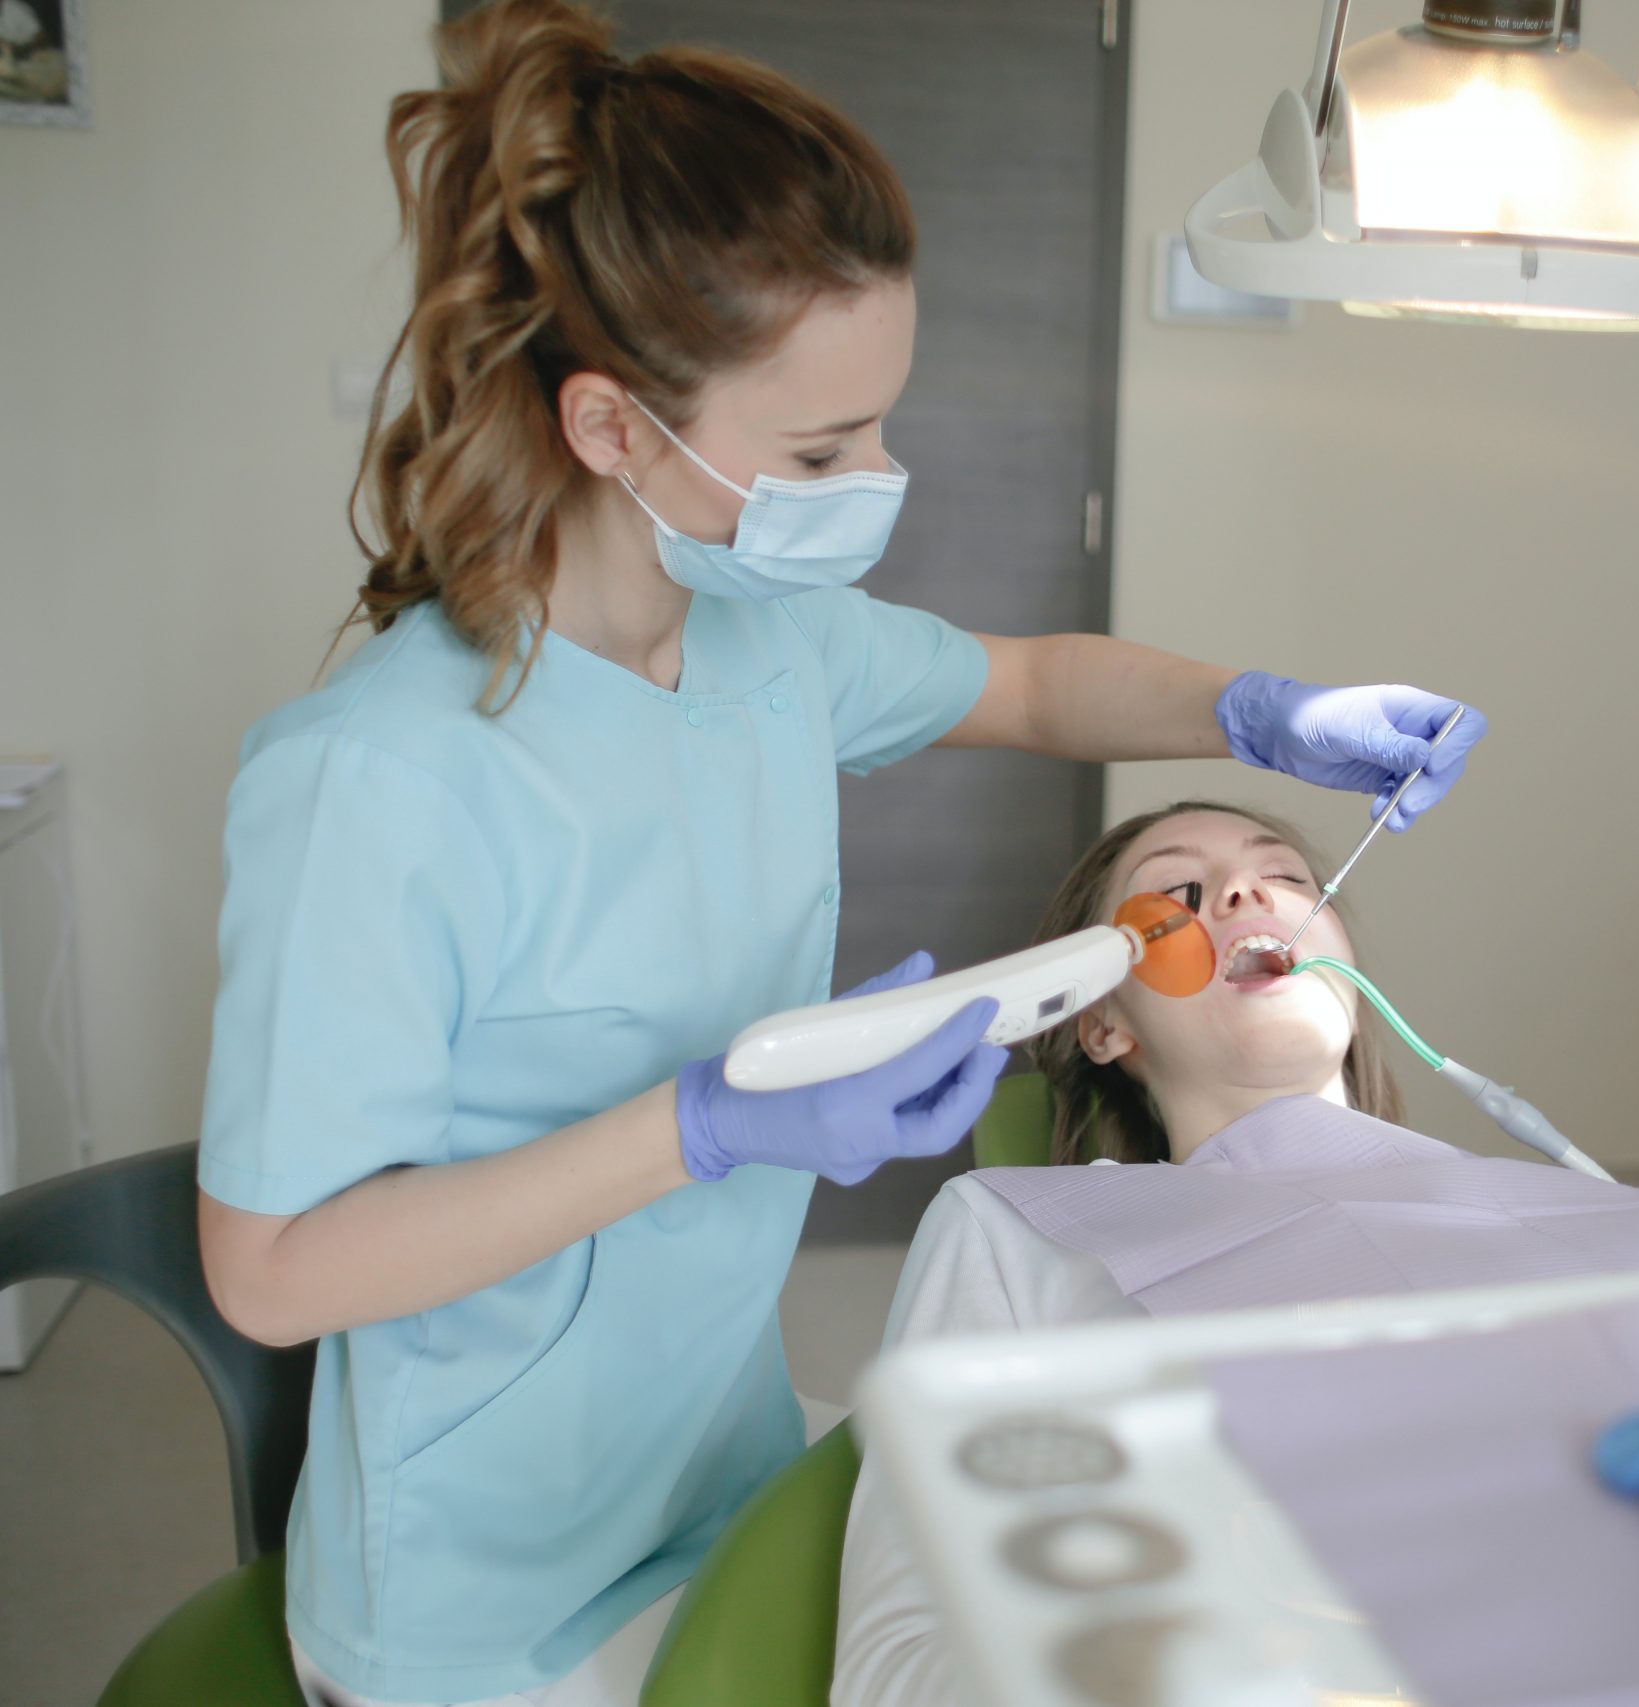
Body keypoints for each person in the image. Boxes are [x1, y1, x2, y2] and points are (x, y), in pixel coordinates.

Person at [192, 8, 1487, 1706]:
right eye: (818, 452)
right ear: (610, 428)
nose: (876, 479)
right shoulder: (381, 775)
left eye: (877, 423)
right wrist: (706, 1123)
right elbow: (275, 1270)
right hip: (482, 1592)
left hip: (711, 1465)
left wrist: (1259, 712)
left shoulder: (767, 646)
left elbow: (1027, 682)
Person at [831, 803, 1639, 1703]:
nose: (1245, 890)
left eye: (1288, 876)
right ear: (1103, 1022)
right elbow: (899, 1661)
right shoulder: (1021, 1228)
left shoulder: (1598, 1213)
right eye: (1178, 889)